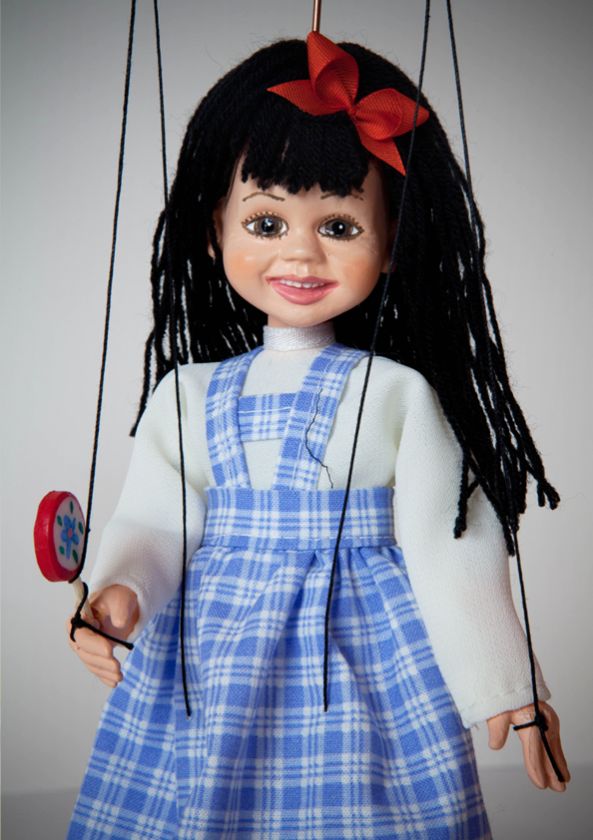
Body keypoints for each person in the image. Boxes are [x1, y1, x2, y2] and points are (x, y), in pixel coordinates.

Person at [66, 33, 569, 839]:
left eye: (338, 225)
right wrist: (121, 591)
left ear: (391, 243)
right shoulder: (189, 394)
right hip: (214, 654)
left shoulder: (396, 393)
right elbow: (157, 519)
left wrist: (504, 682)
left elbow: (447, 545)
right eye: (265, 221)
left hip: (363, 656)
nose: (299, 251)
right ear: (214, 229)